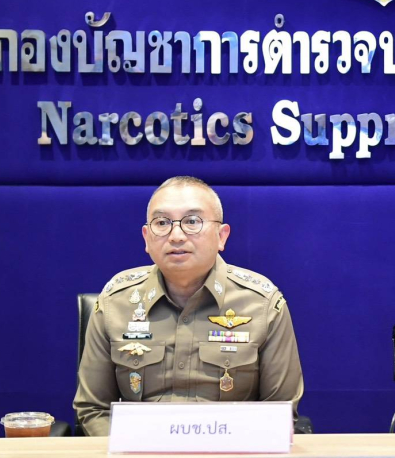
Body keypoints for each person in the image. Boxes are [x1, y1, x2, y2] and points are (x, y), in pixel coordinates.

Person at [74, 176, 303, 436]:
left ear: (221, 236)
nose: (176, 236)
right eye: (162, 223)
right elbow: (94, 409)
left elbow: (278, 412)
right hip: (138, 451)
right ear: (147, 238)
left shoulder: (262, 304)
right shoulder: (116, 302)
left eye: (192, 222)